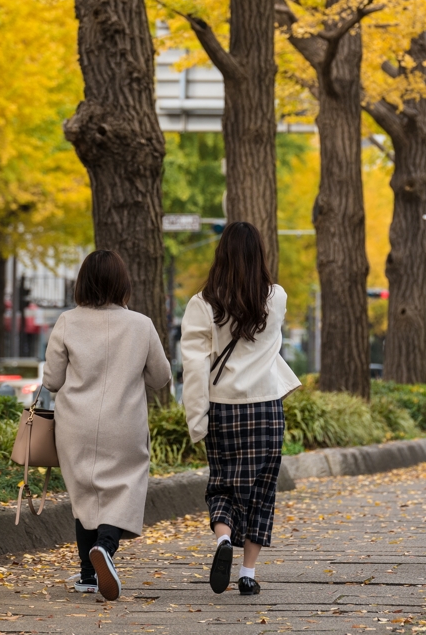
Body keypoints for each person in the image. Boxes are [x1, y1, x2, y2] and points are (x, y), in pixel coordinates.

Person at [180, 222, 302, 597]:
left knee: (223, 484)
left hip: (223, 408)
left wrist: (196, 418)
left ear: (222, 256)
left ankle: (222, 539)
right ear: (259, 257)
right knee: (262, 490)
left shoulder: (202, 303)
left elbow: (195, 364)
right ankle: (247, 572)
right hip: (266, 409)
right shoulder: (275, 297)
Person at [42, 250, 171, 601]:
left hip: (75, 425)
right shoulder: (141, 324)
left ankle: (87, 574)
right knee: (125, 485)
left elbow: (52, 380)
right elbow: (161, 378)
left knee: (85, 493)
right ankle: (106, 545)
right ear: (122, 284)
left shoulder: (67, 322)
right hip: (124, 423)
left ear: (81, 284)